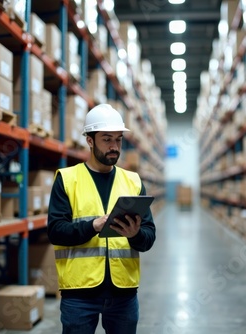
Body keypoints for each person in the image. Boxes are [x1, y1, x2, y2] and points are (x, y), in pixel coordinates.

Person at [47, 103, 156, 334]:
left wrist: (135, 234)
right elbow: (56, 231)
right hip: (79, 294)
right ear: (89, 140)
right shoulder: (67, 180)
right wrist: (93, 226)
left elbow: (148, 238)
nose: (114, 146)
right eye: (107, 139)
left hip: (124, 294)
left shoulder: (133, 182)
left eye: (118, 140)